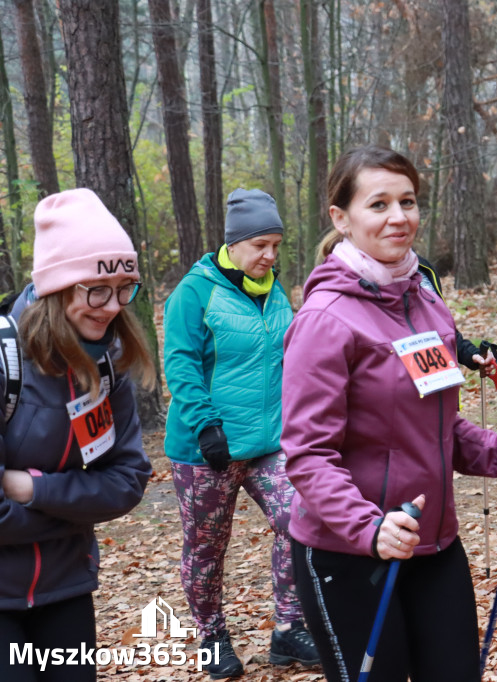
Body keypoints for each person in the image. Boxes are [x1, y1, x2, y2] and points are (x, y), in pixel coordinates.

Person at [280, 145, 497, 682]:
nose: (399, 217)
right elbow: (309, 456)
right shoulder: (326, 320)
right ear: (341, 218)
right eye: (378, 204)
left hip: (433, 541)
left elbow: (438, 423)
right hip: (350, 553)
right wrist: (369, 529)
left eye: (407, 201)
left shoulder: (426, 302)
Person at [0, 188, 156, 682]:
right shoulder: (6, 363)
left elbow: (129, 479)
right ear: (58, 287)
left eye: (124, 288)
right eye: (96, 289)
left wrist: (35, 489)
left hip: (67, 588)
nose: (112, 306)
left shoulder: (108, 365)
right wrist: (73, 516)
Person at [163, 188, 319, 679]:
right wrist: (206, 426)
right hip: (205, 448)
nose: (270, 256)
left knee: (300, 517)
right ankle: (212, 636)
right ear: (234, 243)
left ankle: (289, 630)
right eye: (260, 246)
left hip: (267, 443)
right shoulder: (195, 291)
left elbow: (288, 357)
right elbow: (181, 364)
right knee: (207, 547)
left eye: (276, 245)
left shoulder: (273, 289)